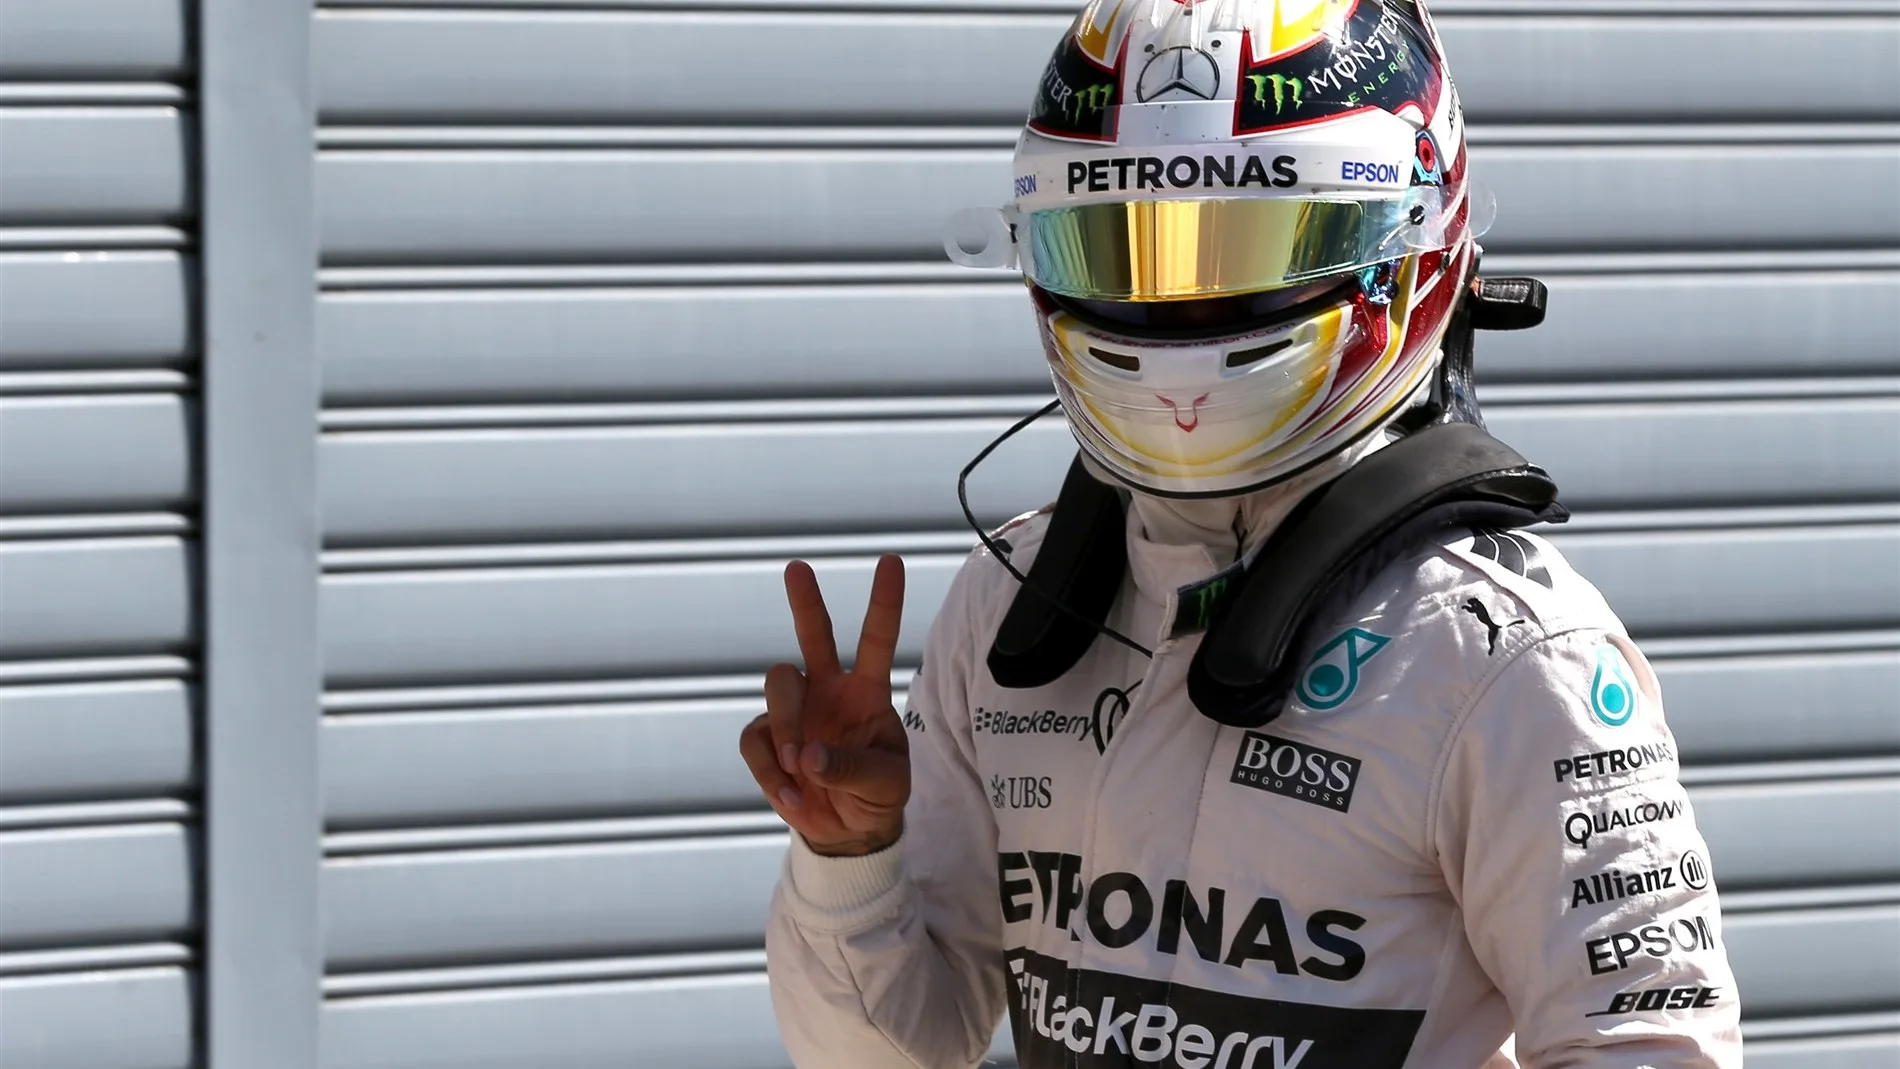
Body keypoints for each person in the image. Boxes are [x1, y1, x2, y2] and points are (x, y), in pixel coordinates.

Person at [736, 1, 1742, 1065]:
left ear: (1412, 244)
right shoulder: (1010, 604)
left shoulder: (1500, 653)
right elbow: (888, 1054)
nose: (1179, 318)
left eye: (1247, 245)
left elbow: (1652, 1047)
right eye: (1123, 252)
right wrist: (851, 858)